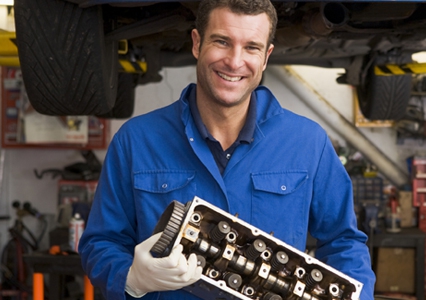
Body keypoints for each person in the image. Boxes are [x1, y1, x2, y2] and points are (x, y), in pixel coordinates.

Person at [78, 0, 376, 299]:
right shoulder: (137, 140)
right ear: (197, 43)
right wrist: (130, 279)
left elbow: (343, 241)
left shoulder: (308, 142)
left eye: (251, 48)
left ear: (266, 56)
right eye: (222, 42)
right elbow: (101, 242)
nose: (234, 62)